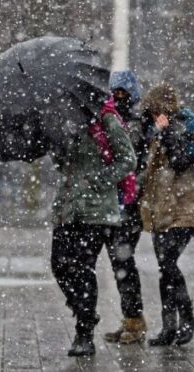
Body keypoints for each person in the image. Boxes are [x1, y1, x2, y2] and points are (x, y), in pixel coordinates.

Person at [50, 95, 136, 357]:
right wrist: (58, 148)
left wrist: (99, 180)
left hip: (96, 211)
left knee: (82, 268)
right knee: (59, 264)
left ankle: (84, 332)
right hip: (67, 208)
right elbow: (63, 165)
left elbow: (127, 159)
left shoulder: (106, 119)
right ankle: (83, 310)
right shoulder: (64, 121)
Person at [139, 83, 194, 346]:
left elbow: (180, 162)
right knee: (165, 269)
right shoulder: (156, 131)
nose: (153, 115)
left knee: (168, 265)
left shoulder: (182, 129)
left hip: (182, 211)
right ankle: (169, 327)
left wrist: (167, 134)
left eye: (155, 110)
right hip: (161, 211)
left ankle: (188, 318)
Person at [101, 70, 154, 344]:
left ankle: (134, 321)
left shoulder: (138, 121)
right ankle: (131, 318)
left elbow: (136, 158)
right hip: (116, 202)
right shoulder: (115, 118)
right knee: (118, 262)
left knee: (123, 261)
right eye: (115, 92)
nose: (118, 97)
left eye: (123, 92)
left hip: (129, 203)